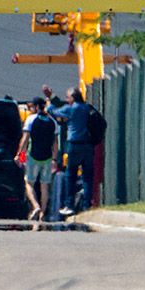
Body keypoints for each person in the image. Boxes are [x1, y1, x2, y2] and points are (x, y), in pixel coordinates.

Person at [43, 84, 98, 217]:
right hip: (88, 145)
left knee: (70, 175)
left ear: (73, 98)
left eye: (68, 98)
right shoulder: (87, 108)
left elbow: (54, 112)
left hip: (74, 145)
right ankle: (87, 205)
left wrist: (49, 100)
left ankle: (69, 204)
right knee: (87, 176)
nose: (67, 100)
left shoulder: (71, 109)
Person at [18, 97, 59, 220]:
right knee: (44, 186)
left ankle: (36, 206)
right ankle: (42, 215)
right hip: (47, 159)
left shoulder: (31, 120)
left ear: (36, 107)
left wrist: (19, 154)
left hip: (33, 157)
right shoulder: (53, 122)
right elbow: (55, 143)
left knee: (29, 184)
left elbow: (25, 139)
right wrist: (54, 159)